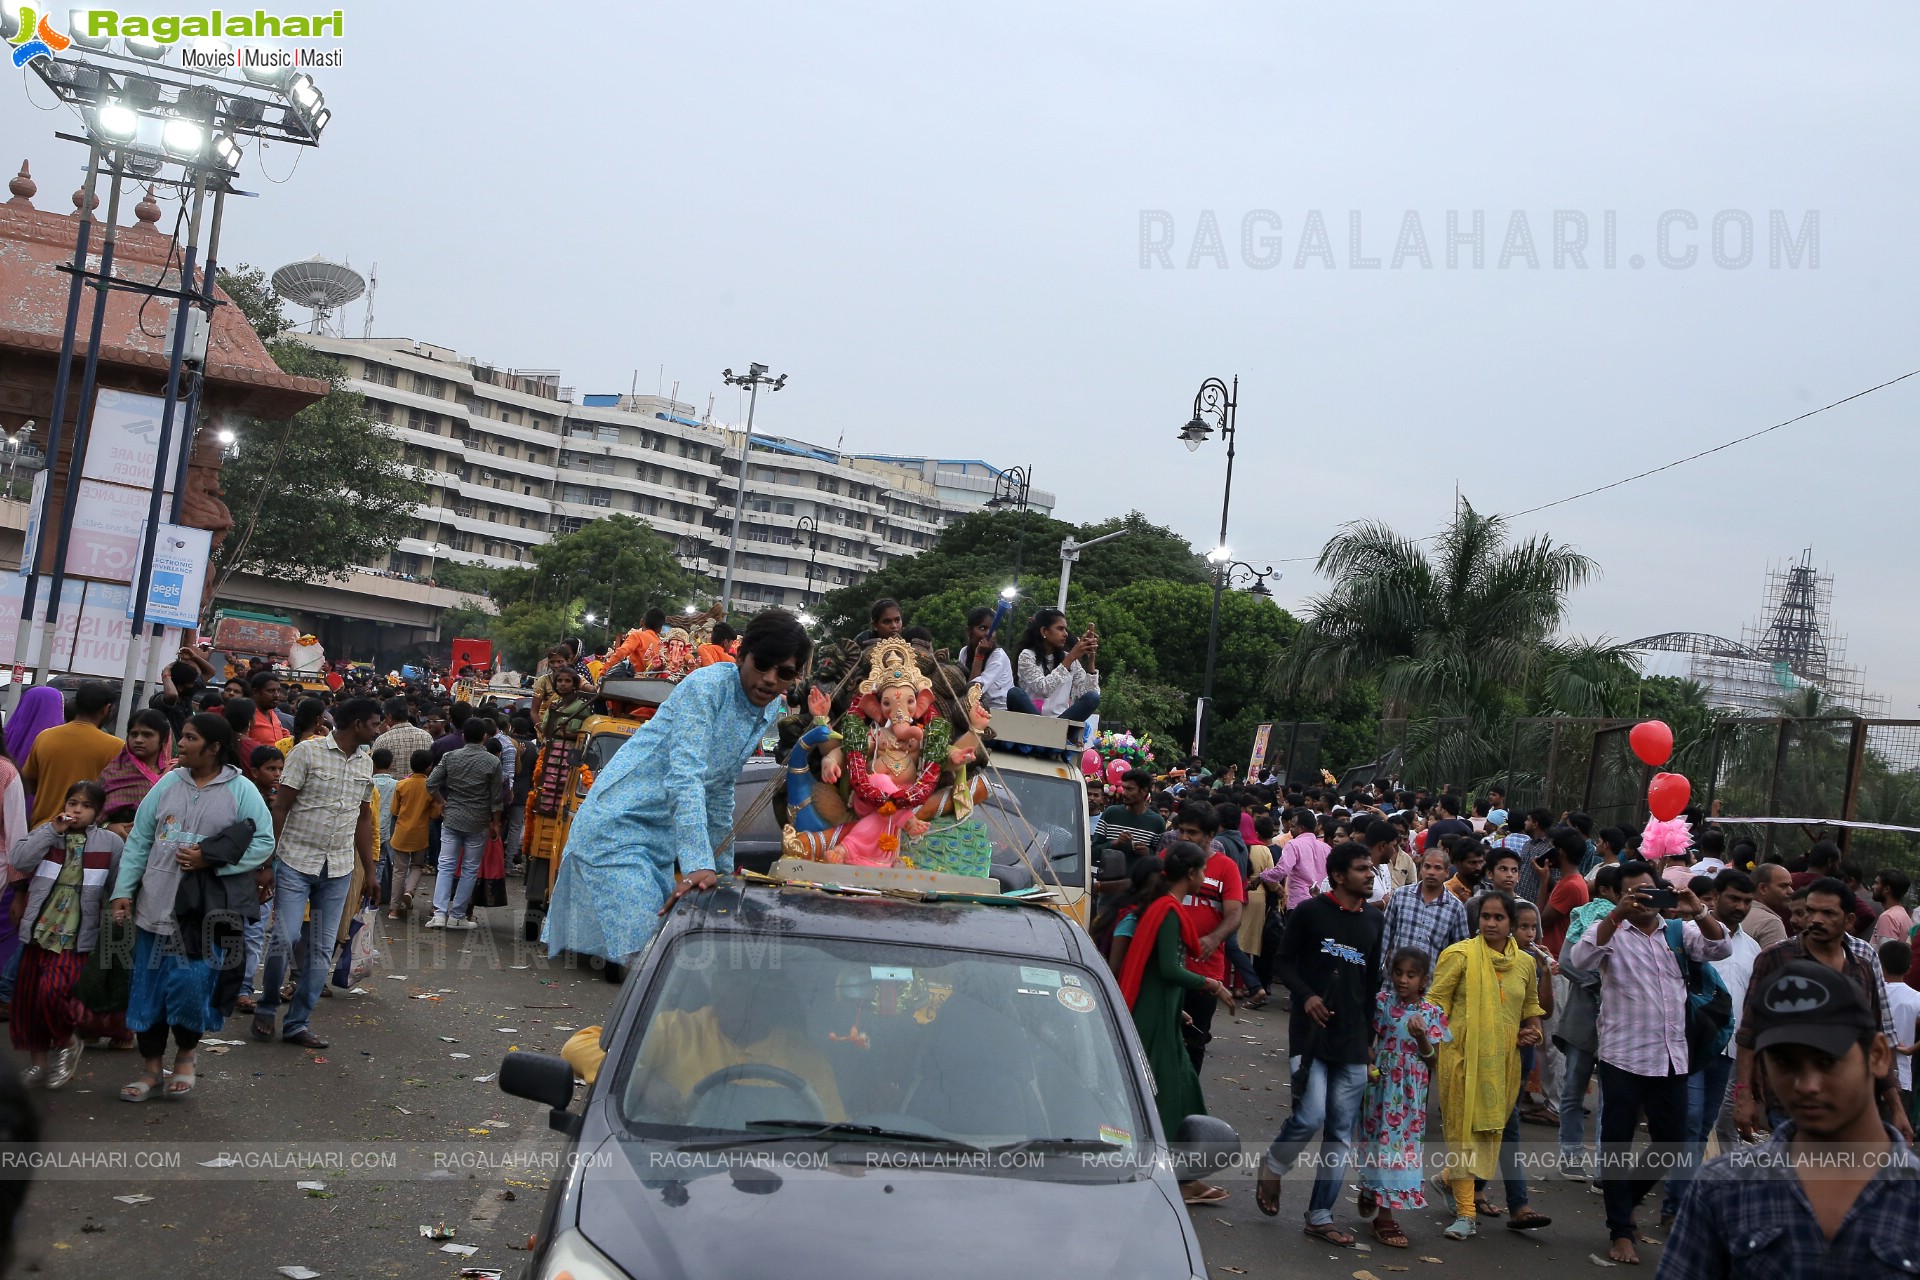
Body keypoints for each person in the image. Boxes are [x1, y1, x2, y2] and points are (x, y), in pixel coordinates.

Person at [543, 610, 809, 967]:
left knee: (674, 957)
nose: (770, 680)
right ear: (741, 655)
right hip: (617, 825)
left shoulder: (770, 707)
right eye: (763, 665)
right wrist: (700, 864)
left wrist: (723, 872)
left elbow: (719, 790)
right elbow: (686, 777)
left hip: (662, 841)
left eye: (785, 673)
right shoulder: (707, 687)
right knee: (649, 954)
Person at [1654, 962, 1918, 1279]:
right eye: (1785, 1062)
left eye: (1827, 1060)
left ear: (1877, 1056)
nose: (1806, 1084)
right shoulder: (1724, 1188)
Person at [1565, 859, 1731, 1264]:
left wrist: (1698, 907)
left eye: (1648, 890)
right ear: (1617, 895)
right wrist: (1618, 915)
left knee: (1672, 1142)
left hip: (1672, 1057)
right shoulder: (1609, 931)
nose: (1643, 899)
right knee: (1617, 1146)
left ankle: (1627, 1201)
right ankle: (1620, 1230)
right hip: (1623, 1056)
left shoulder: (1677, 931)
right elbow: (1581, 960)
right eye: (1633, 893)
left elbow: (1721, 946)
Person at [109, 713, 276, 1100]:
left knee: (190, 987)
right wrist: (124, 889)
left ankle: (185, 1055)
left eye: (190, 738)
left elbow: (263, 841)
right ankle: (151, 1069)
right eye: (181, 737)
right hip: (155, 905)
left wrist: (214, 861)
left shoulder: (242, 789)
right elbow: (140, 840)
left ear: (214, 748)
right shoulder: (168, 782)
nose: (180, 744)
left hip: (204, 915)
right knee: (147, 991)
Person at [1255, 842, 1385, 1247]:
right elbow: (1283, 962)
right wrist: (1306, 995)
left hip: (1351, 1041)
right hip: (1309, 1037)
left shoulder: (1375, 923)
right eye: (1363, 868)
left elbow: (1371, 985)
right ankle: (1273, 1167)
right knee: (1309, 1116)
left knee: (1340, 1132)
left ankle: (1320, 1215)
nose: (1370, 875)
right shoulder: (1310, 913)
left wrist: (1368, 1039)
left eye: (1371, 869)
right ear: (1340, 875)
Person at [1732, 877, 1912, 1144]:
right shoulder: (1775, 959)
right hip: (1788, 1098)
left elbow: (1875, 1037)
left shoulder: (1861, 968)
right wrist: (1743, 1094)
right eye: (1810, 911)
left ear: (1849, 920)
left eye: (1828, 913)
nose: (1816, 919)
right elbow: (1749, 1031)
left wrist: (1896, 1108)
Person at [252, 698, 382, 1051]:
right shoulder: (307, 753)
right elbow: (281, 807)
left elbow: (363, 817)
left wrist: (370, 871)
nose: (376, 730)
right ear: (356, 724)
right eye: (373, 724)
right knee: (285, 937)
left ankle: (297, 1022)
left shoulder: (365, 762)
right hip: (295, 861)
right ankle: (266, 1006)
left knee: (322, 950)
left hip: (338, 867)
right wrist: (267, 863)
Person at [1114, 842, 1235, 1206]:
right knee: (1169, 1097)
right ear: (1191, 874)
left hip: (1163, 1013)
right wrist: (1212, 984)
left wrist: (1178, 1008)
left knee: (1182, 1091)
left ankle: (1186, 1175)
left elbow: (1158, 972)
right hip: (1153, 1018)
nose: (1204, 878)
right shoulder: (1167, 911)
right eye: (1202, 872)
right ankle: (1177, 1177)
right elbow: (1168, 968)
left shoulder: (1169, 908)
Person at [1427, 889, 1547, 1240]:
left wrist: (1532, 1035)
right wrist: (1435, 1043)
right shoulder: (1459, 955)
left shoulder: (1524, 963)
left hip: (1503, 1063)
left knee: (1489, 1133)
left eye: (1499, 918)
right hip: (1462, 1058)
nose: (1491, 923)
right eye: (1486, 917)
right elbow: (1436, 1004)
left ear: (1511, 923)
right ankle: (1466, 1214)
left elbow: (1532, 1012)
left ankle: (1448, 1179)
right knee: (1465, 1135)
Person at [1659, 868, 1763, 1224]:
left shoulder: (1753, 949)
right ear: (1715, 897)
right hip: (1690, 1045)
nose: (1740, 906)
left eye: (1748, 902)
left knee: (1704, 1127)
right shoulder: (1693, 936)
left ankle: (1680, 1200)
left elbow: (1752, 1004)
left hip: (1729, 1050)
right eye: (1734, 898)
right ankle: (1676, 1207)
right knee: (1688, 1122)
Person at [8, 781, 121, 1088]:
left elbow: (117, 886)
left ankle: (68, 1042)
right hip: (41, 927)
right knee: (29, 999)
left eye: (85, 806)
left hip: (77, 931)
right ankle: (39, 1065)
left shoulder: (110, 843)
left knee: (53, 991)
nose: (76, 810)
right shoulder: (48, 835)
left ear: (97, 813)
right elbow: (19, 860)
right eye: (72, 803)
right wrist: (50, 831)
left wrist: (118, 917)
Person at [1354, 948, 1449, 1249]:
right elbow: (1365, 1038)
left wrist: (1421, 1037)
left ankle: (1382, 1208)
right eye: (1398, 973)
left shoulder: (1431, 1014)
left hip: (1409, 1096)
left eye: (1411, 975)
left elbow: (1433, 1060)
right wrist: (1368, 1059)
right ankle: (1378, 1202)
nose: (1403, 980)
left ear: (1424, 981)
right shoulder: (1381, 1005)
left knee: (1398, 1150)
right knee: (1378, 1143)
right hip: (1381, 1088)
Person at [424, 719, 505, 930]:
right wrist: (495, 823)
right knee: (470, 869)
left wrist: (443, 802)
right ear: (485, 737)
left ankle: (439, 913)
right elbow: (496, 798)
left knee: (445, 866)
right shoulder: (493, 762)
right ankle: (458, 915)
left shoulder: (451, 757)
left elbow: (431, 783)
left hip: (452, 816)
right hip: (478, 820)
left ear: (462, 736)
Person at [21, 681, 123, 828]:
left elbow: (29, 780)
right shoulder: (116, 746)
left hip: (43, 829)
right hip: (85, 836)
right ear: (106, 709)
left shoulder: (45, 737)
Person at [1381, 847, 1471, 979]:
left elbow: (1460, 954)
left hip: (1429, 989)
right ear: (1420, 869)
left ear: (1447, 872)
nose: (1431, 872)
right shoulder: (1401, 896)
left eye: (1437, 868)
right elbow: (1385, 936)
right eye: (1427, 867)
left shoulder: (1455, 908)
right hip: (1393, 983)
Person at [1007, 608, 1100, 722]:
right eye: (1060, 629)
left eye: (1065, 629)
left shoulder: (1070, 660)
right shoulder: (1027, 656)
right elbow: (1044, 689)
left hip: (1060, 722)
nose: (1065, 634)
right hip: (1032, 722)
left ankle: (1054, 731)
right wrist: (1070, 657)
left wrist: (1091, 660)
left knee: (1093, 698)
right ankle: (1047, 731)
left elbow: (1087, 695)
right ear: (1044, 631)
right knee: (1014, 693)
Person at [96, 709, 172, 840]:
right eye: (134, 734)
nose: (138, 740)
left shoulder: (174, 772)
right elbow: (91, 812)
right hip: (116, 845)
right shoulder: (113, 772)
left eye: (147, 735)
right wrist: (108, 827)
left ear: (163, 739)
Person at [387, 750, 439, 922]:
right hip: (420, 833)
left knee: (399, 870)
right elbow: (435, 813)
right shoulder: (431, 788)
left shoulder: (402, 785)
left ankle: (394, 910)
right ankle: (409, 891)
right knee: (417, 866)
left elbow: (394, 810)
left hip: (401, 833)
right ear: (428, 768)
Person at [1092, 769, 1166, 887]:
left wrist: (1148, 852)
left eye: (1130, 789)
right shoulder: (1111, 813)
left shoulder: (1157, 822)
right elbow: (1093, 852)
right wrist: (1115, 843)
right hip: (1108, 890)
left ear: (1144, 791)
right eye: (1124, 788)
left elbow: (1160, 862)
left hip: (1139, 891)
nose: (1124, 793)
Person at [1881, 939, 1918, 1119]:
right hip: (1901, 1075)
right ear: (1909, 967)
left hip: (1871, 1074)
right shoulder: (1916, 998)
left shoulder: (1872, 992)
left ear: (1879, 965)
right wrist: (1912, 1049)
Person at [1539, 826, 1590, 956]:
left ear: (1560, 852)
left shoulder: (1570, 886)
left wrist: (1544, 880)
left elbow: (1540, 920)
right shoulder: (1572, 881)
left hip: (1555, 956)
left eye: (1551, 849)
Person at [958, 605, 1015, 713]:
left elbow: (974, 691)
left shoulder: (998, 657)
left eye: (992, 629)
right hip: (974, 709)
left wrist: (979, 655)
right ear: (969, 631)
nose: (989, 634)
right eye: (983, 628)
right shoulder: (964, 652)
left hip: (998, 712)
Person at [1745, 861, 1793, 948]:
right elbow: (1775, 961)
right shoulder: (1770, 923)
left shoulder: (1740, 912)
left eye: (1790, 885)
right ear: (1763, 888)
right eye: (1783, 886)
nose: (1791, 891)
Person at [244, 671, 290, 751]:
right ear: (255, 692)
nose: (276, 695)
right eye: (271, 691)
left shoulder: (272, 714)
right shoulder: (247, 715)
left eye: (278, 690)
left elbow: (285, 735)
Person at [1872, 868, 1912, 944]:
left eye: (1876, 883)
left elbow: (1887, 954)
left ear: (1886, 889)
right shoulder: (1903, 915)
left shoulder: (1888, 917)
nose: (1873, 886)